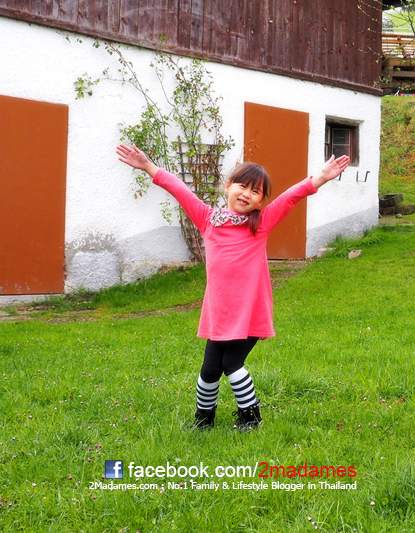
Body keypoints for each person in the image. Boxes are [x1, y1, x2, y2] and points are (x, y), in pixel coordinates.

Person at [116, 144, 349, 431]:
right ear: (228, 187)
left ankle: (250, 417)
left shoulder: (259, 225)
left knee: (232, 365)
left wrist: (321, 177)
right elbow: (179, 189)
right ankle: (203, 420)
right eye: (242, 186)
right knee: (209, 370)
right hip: (219, 313)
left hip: (249, 313)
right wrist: (147, 165)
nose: (247, 194)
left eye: (256, 191)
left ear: (261, 202)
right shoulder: (207, 220)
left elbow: (291, 197)